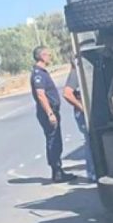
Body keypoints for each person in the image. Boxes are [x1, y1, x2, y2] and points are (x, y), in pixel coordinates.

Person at [30, 46, 76, 183]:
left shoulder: (42, 72)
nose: (50, 57)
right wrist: (50, 113)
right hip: (47, 112)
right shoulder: (38, 74)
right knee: (53, 141)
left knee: (56, 141)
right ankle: (57, 171)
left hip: (51, 111)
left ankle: (58, 170)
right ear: (42, 56)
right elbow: (40, 95)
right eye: (49, 55)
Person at [63, 63, 96, 181]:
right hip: (82, 113)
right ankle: (92, 172)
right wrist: (81, 107)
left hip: (84, 112)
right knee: (90, 142)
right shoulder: (76, 73)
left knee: (91, 141)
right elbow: (67, 93)